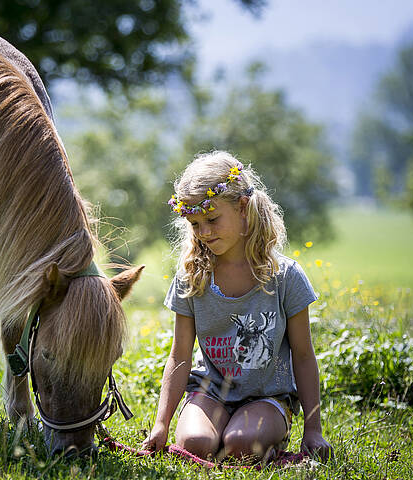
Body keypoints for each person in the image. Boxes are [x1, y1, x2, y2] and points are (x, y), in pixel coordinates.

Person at [142, 151, 332, 462]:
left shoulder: (286, 278)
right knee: (195, 442)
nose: (204, 232)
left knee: (242, 445)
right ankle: (207, 428)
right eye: (194, 223)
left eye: (212, 219)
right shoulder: (193, 277)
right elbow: (179, 354)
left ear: (242, 207)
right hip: (209, 392)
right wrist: (161, 424)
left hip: (266, 398)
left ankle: (266, 430)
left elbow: (303, 354)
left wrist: (313, 430)